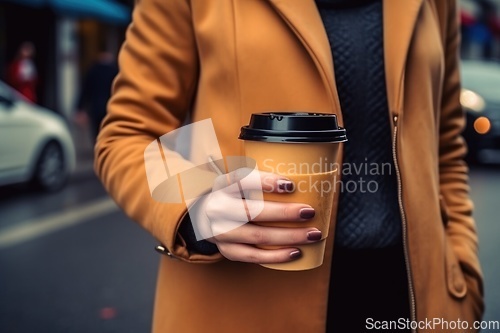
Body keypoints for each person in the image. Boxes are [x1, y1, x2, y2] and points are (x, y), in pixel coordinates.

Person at [95, 0, 484, 332]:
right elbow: (128, 134)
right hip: (241, 303)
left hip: (413, 302)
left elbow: (445, 146)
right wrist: (195, 203)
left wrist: (462, 272)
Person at [75, 51, 118, 140]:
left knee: (97, 132)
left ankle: (99, 148)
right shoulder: (115, 71)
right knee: (109, 130)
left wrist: (80, 108)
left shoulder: (93, 70)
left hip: (96, 107)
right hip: (110, 107)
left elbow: (86, 90)